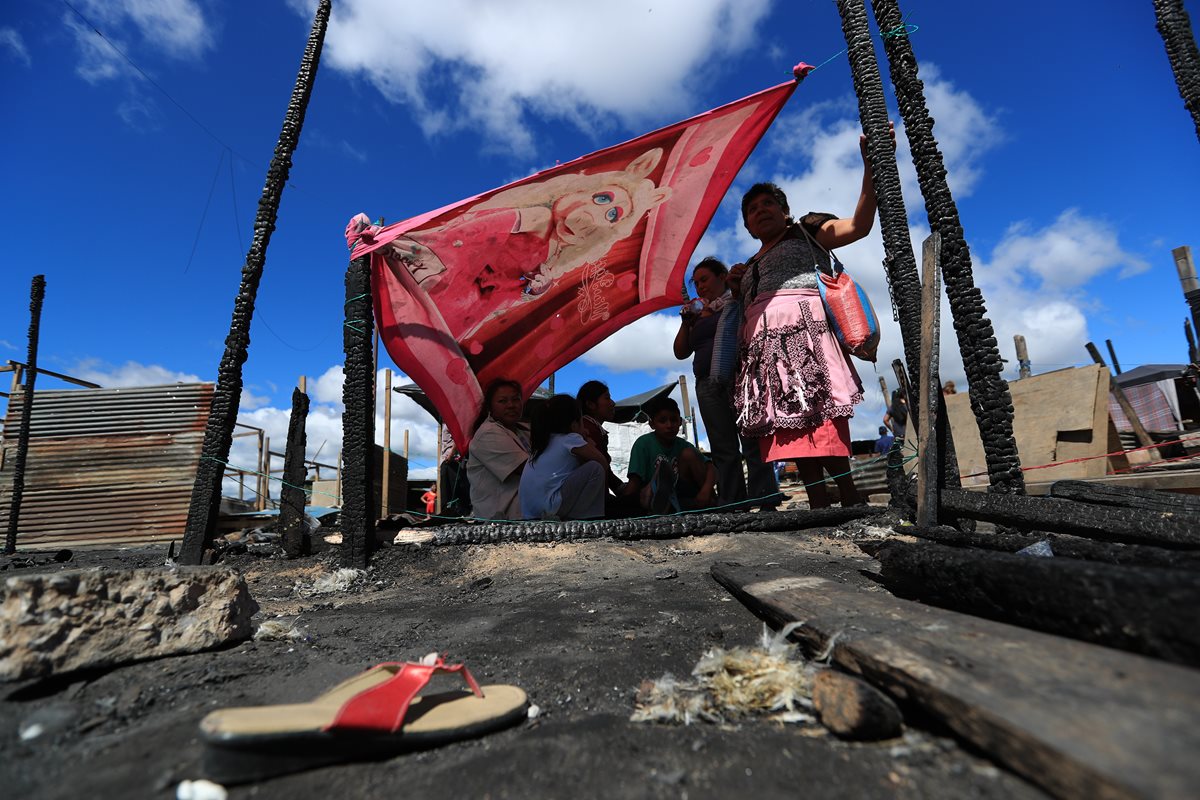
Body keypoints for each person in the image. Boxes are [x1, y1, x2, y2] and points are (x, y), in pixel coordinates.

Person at [727, 130, 888, 509]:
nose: (761, 210)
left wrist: (871, 166)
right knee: (789, 426)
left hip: (807, 338)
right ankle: (818, 508)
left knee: (822, 419)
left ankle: (851, 504)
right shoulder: (749, 265)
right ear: (748, 227)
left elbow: (859, 225)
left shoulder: (808, 232)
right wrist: (738, 285)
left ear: (784, 211)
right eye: (752, 209)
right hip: (766, 353)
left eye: (769, 204)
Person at [673, 256, 781, 510]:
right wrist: (686, 324)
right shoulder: (696, 314)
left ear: (722, 277)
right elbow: (680, 352)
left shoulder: (738, 301)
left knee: (753, 440)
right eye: (696, 283)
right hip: (707, 384)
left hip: (741, 377)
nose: (700, 287)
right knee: (723, 447)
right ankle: (733, 503)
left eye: (705, 279)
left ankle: (764, 500)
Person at [519, 395, 609, 520]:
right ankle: (583, 521)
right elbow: (602, 462)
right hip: (550, 507)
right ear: (574, 425)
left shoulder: (543, 443)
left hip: (529, 512)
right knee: (595, 468)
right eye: (582, 422)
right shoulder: (570, 439)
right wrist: (588, 442)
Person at [626, 395, 717, 513]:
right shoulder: (643, 444)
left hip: (682, 496)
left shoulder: (683, 445)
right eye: (662, 421)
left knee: (688, 454)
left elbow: (711, 468)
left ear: (680, 422)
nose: (669, 425)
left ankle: (709, 502)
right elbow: (635, 481)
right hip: (653, 495)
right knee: (648, 492)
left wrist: (706, 491)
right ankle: (660, 502)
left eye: (673, 420)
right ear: (652, 424)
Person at [467, 378, 531, 520]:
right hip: (500, 517)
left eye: (516, 399)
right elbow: (527, 469)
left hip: (523, 512)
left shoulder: (524, 430)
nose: (511, 405)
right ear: (490, 407)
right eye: (502, 401)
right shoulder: (488, 433)